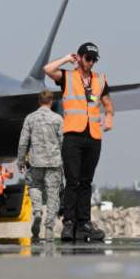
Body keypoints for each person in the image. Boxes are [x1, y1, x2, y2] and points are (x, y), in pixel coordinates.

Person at [43, 42, 113, 242]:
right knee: (72, 181)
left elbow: (107, 103)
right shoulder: (68, 77)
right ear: (80, 58)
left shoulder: (99, 80)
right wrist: (66, 58)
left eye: (93, 60)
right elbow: (47, 69)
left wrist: (109, 116)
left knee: (86, 182)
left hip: (93, 137)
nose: (91, 63)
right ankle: (69, 224)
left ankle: (84, 224)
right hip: (73, 135)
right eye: (88, 58)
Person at [16, 90, 64, 241]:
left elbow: (23, 141)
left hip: (35, 161)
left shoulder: (30, 118)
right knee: (52, 193)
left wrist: (21, 160)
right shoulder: (58, 119)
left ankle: (37, 211)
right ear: (51, 101)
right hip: (54, 162)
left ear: (39, 101)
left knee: (35, 187)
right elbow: (63, 141)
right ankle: (49, 227)